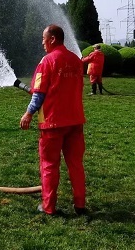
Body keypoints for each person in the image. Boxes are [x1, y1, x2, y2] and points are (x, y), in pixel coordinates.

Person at [20, 24, 87, 216]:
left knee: (49, 165)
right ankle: (80, 204)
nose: (42, 43)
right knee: (76, 165)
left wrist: (28, 114)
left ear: (52, 39)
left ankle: (49, 207)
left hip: (52, 123)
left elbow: (38, 94)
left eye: (43, 39)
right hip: (75, 121)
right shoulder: (75, 60)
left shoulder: (46, 61)